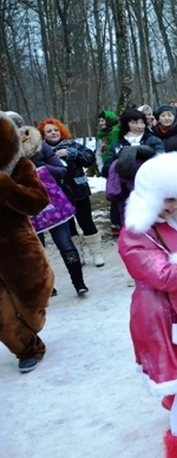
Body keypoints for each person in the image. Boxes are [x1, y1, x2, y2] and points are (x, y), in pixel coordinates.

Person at [117, 152, 177, 458]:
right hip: (159, 314)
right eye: (168, 198)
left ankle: (176, 400)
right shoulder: (134, 235)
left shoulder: (174, 224)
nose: (174, 206)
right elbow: (161, 274)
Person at [0, 113, 54, 373]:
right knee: (2, 318)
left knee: (33, 303)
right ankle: (27, 349)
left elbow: (37, 201)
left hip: (17, 247)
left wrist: (5, 185)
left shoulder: (19, 166)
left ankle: (32, 326)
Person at [17, 123, 90, 296]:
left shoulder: (40, 145)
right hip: (25, 208)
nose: (17, 130)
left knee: (66, 245)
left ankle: (78, 282)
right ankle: (47, 285)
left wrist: (38, 168)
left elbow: (61, 170)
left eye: (18, 125)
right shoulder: (5, 155)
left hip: (53, 203)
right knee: (36, 252)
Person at [38, 118, 105, 267]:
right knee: (69, 227)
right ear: (43, 135)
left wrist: (71, 153)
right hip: (58, 195)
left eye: (56, 130)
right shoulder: (41, 150)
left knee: (86, 221)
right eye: (49, 131)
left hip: (79, 189)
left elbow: (89, 158)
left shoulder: (72, 144)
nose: (53, 133)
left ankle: (97, 252)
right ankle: (78, 254)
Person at [103, 107, 165, 177]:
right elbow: (106, 170)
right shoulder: (117, 145)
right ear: (126, 124)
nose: (139, 126)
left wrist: (145, 153)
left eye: (142, 123)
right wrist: (121, 157)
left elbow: (161, 162)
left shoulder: (153, 141)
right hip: (123, 184)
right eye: (134, 123)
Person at [95, 110, 121, 233]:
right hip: (108, 169)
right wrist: (101, 168)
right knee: (114, 195)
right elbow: (99, 153)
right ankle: (115, 223)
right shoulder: (101, 136)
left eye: (103, 120)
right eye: (99, 121)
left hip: (120, 167)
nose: (100, 123)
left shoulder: (117, 131)